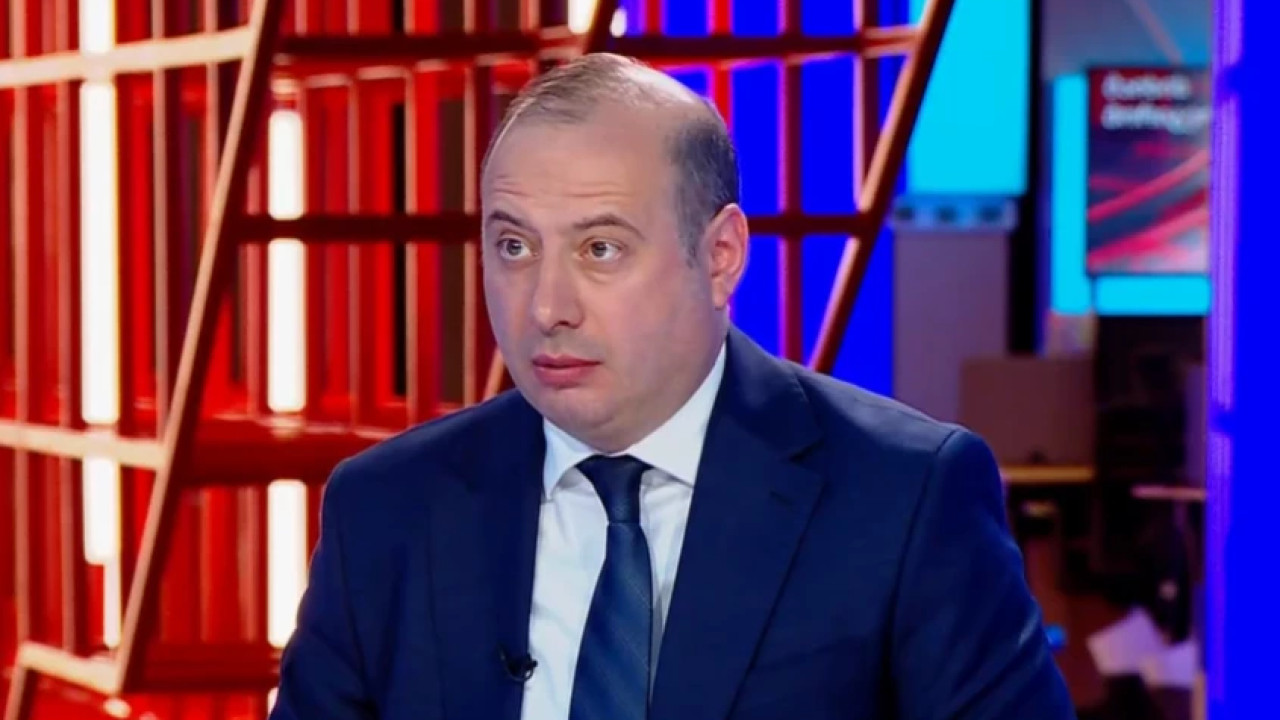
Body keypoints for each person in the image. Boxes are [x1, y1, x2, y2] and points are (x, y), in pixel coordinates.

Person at [269, 53, 1076, 720]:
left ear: (720, 256)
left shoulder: (905, 497)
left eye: (601, 250)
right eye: (514, 247)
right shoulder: (387, 509)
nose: (546, 307)